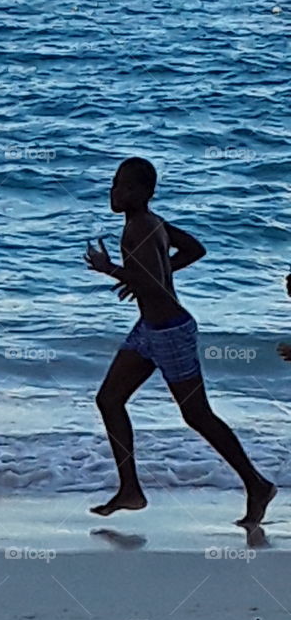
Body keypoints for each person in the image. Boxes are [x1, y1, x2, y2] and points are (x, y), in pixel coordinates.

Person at [85, 156, 276, 527]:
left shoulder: (138, 229)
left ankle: (257, 484)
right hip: (149, 330)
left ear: (144, 193)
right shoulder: (153, 222)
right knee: (109, 399)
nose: (115, 191)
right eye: (113, 183)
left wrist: (112, 269)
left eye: (124, 186)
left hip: (170, 332)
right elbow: (193, 249)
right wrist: (141, 274)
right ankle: (131, 490)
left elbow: (154, 285)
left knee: (196, 414)